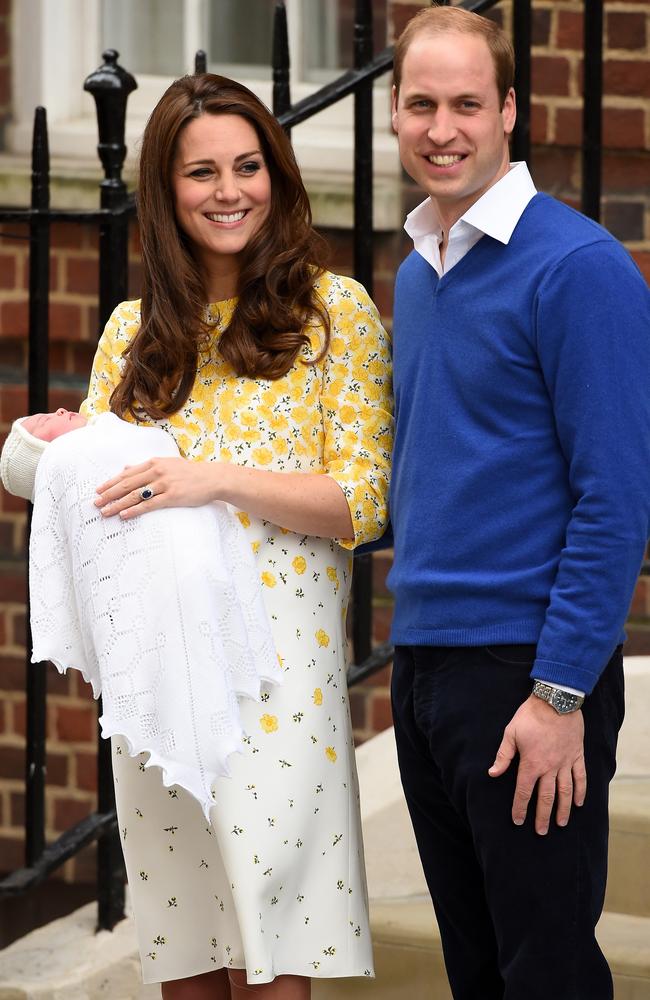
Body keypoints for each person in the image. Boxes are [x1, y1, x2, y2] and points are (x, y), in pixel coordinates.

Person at [75, 74, 392, 999]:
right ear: (165, 191)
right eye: (201, 171)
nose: (229, 191)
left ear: (279, 176)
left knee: (273, 957)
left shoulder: (335, 316)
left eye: (249, 166)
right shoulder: (134, 333)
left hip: (279, 684)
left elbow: (362, 503)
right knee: (186, 959)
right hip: (161, 677)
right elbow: (94, 493)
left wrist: (209, 480)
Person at [388, 6, 650, 1000]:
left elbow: (614, 502)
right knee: (477, 974)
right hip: (424, 671)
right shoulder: (418, 273)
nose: (440, 128)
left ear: (508, 111)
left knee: (546, 978)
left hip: (524, 678)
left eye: (464, 103)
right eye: (420, 104)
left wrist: (557, 694)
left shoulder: (577, 268)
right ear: (395, 113)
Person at [0, 408, 282, 814]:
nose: (60, 410)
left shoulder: (107, 425)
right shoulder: (72, 461)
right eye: (45, 424)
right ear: (47, 457)